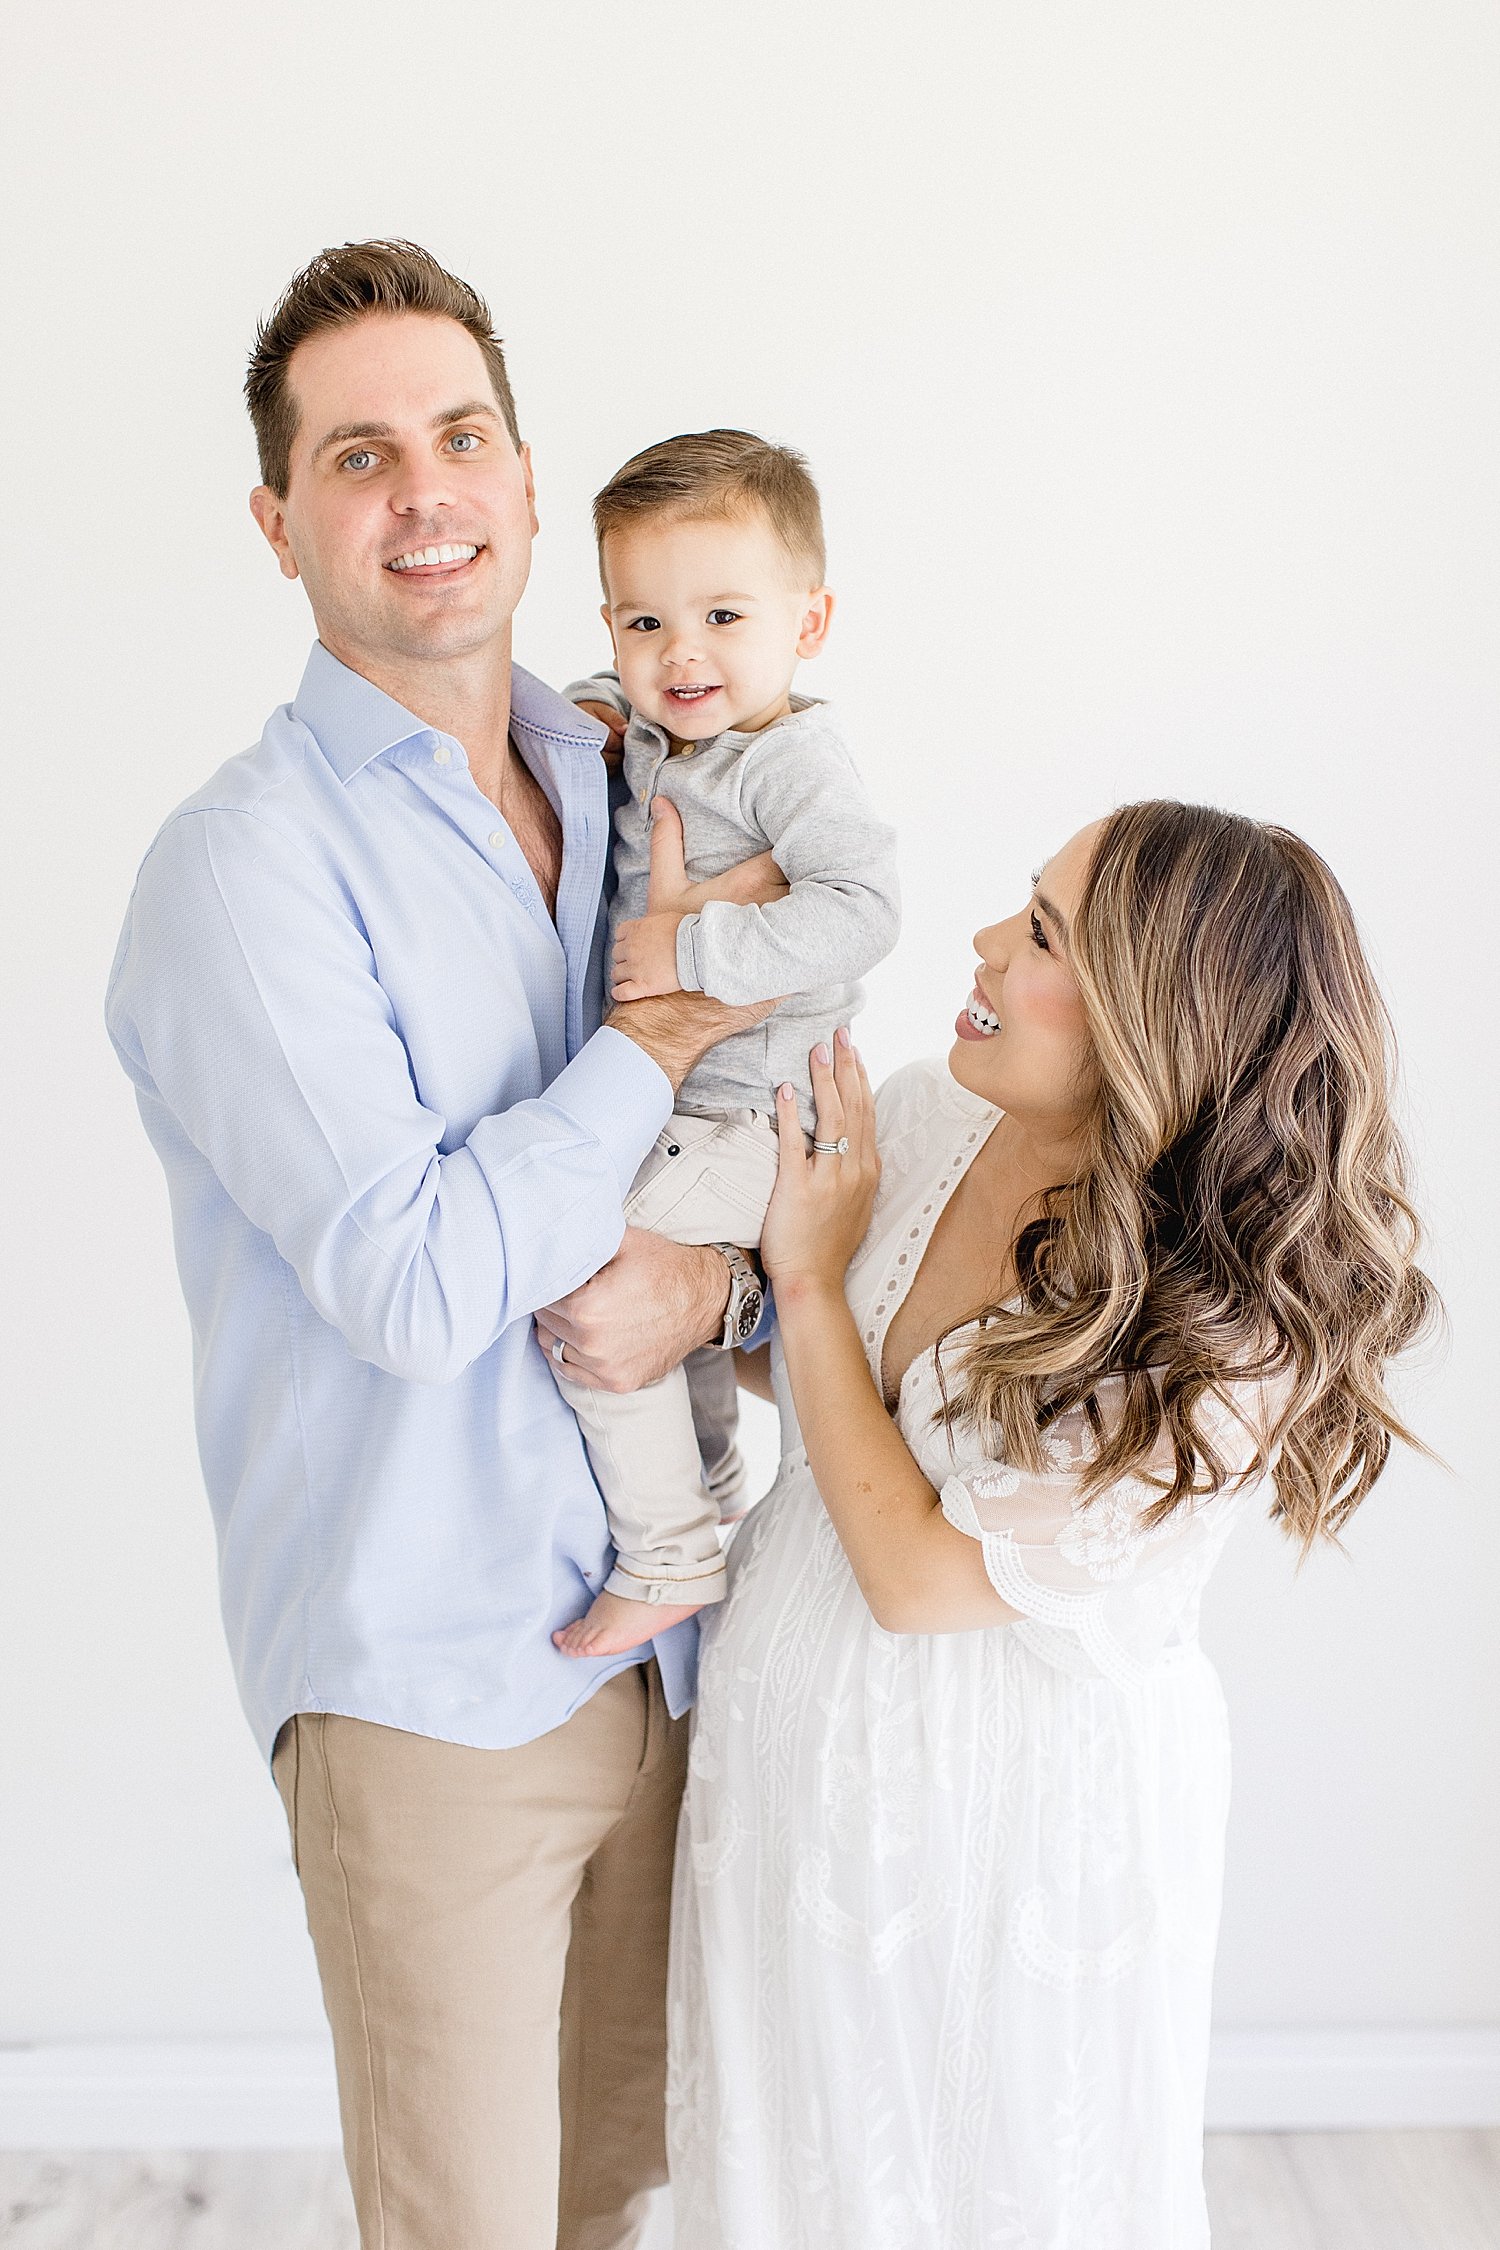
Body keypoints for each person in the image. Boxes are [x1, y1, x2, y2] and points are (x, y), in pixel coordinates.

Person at [105, 239, 785, 2250]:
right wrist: (654, 1041)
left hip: (670, 1664)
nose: (426, 490)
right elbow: (413, 1285)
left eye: (462, 434)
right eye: (361, 454)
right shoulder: (243, 870)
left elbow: (759, 1167)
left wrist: (724, 1285)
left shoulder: (635, 774)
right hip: (429, 1695)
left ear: (523, 473)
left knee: (618, 2218)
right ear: (281, 522)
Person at [665, 802, 1436, 2248]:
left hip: (1007, 1836)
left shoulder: (1223, 1331)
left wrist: (811, 1285)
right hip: (784, 1773)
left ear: (1154, 1017)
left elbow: (918, 1575)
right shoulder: (923, 1112)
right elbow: (836, 1388)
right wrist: (745, 1288)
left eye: (1039, 936)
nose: (978, 944)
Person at [550, 428, 900, 1660]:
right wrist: (589, 712)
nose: (680, 653)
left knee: (589, 1266)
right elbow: (612, 706)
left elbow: (864, 912)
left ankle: (670, 1555)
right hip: (689, 1106)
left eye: (721, 616)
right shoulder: (663, 730)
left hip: (760, 1118)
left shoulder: (793, 761)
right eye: (642, 625)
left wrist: (691, 959)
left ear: (809, 622)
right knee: (657, 1309)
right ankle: (705, 1487)